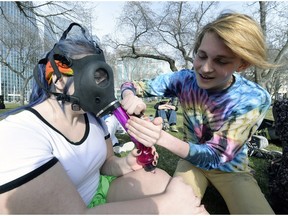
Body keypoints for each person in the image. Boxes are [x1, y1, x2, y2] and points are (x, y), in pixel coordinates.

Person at [0, 23, 208, 214]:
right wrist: (168, 205)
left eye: (104, 78)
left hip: (97, 194)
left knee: (160, 181)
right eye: (94, 78)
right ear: (56, 79)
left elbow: (106, 163)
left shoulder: (90, 117)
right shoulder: (17, 135)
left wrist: (127, 163)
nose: (101, 87)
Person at [120, 13, 277, 214]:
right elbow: (133, 85)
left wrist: (160, 137)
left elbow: (216, 157)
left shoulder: (253, 98)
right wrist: (128, 94)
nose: (204, 68)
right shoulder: (185, 80)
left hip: (231, 169)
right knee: (172, 208)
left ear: (242, 64)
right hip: (191, 162)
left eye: (221, 61)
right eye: (202, 55)